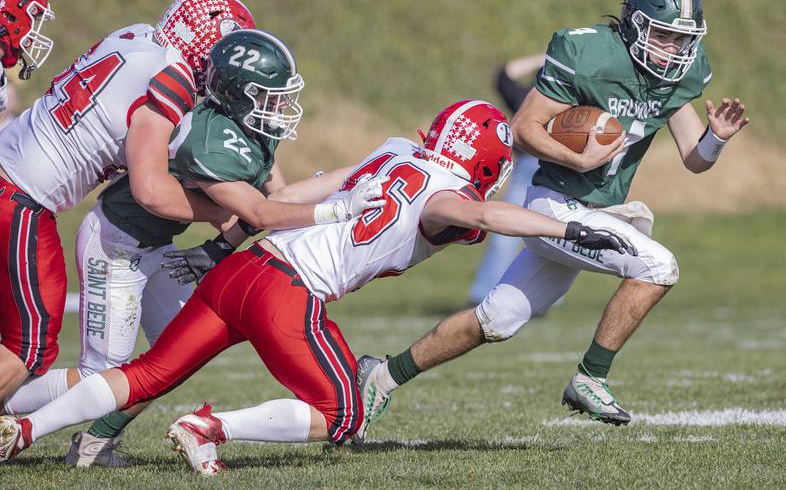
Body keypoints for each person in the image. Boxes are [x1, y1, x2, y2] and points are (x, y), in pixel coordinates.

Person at [0, 100, 634, 474]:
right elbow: (490, 215)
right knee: (345, 412)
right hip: (287, 292)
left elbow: (300, 193)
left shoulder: (392, 152)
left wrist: (233, 234)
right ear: (485, 165)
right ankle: (208, 427)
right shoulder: (446, 197)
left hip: (245, 268)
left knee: (148, 372)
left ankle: (25, 432)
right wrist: (571, 220)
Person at [356, 0, 750, 437]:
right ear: (635, 26)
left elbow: (694, 158)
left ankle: (378, 376)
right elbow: (524, 126)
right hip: (554, 206)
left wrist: (716, 141)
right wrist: (576, 157)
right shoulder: (587, 52)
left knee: (496, 320)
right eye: (664, 35)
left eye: (682, 39)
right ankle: (591, 376)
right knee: (659, 266)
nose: (673, 49)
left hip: (593, 213)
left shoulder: (680, 73)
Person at [0, 28, 386, 467]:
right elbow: (262, 213)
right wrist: (334, 212)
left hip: (158, 247)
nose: (281, 106)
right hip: (117, 245)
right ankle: (10, 411)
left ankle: (91, 448)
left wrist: (361, 172)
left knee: (171, 359)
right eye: (270, 96)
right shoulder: (207, 136)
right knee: (100, 371)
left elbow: (282, 198)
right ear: (240, 94)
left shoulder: (252, 127)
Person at [0, 0, 257, 432]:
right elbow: (152, 191)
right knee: (29, 347)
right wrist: (218, 213)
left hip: (13, 172)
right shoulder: (173, 77)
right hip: (20, 196)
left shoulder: (134, 36)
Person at [468, 55, 543, 304]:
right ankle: (490, 294)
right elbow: (504, 75)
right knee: (520, 234)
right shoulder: (558, 100)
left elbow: (505, 74)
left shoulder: (529, 99)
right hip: (540, 170)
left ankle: (490, 293)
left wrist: (542, 58)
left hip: (545, 169)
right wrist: (547, 57)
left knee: (512, 234)